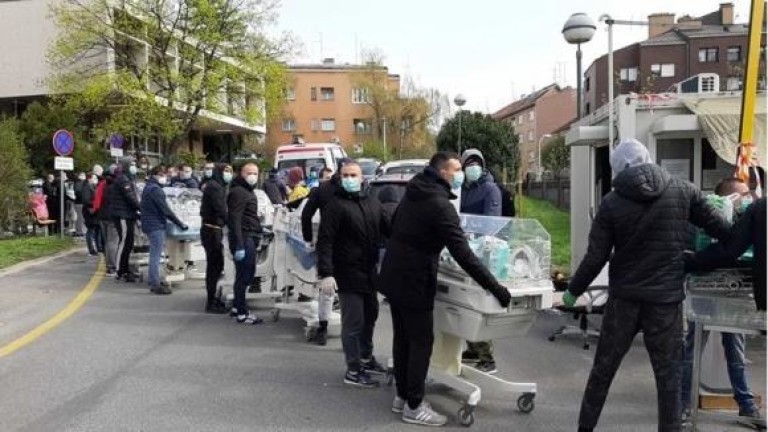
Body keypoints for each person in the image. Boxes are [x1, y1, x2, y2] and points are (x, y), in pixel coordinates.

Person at [560, 139, 731, 432]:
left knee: (603, 371)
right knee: (668, 378)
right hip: (665, 302)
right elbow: (724, 231)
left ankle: (585, 429)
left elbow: (596, 257)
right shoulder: (683, 190)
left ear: (619, 169)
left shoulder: (612, 203)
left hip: (624, 301)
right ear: (648, 157)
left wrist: (573, 291)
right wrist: (695, 260)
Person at [377, 151, 512, 427]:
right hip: (414, 280)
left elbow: (394, 228)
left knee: (404, 339)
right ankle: (414, 406)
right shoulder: (439, 204)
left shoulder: (414, 192)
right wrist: (495, 287)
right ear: (442, 173)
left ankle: (402, 396)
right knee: (421, 342)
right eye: (456, 169)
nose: (461, 174)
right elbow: (463, 253)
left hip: (394, 274)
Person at [679, 178, 762, 421]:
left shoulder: (747, 220)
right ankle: (683, 403)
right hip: (705, 291)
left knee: (735, 350)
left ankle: (746, 404)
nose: (748, 199)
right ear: (726, 197)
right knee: (693, 350)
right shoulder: (704, 220)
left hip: (733, 293)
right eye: (743, 194)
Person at [316, 161, 390, 384]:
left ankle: (366, 357)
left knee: (371, 317)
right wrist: (326, 273)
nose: (349, 178)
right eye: (345, 175)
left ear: (362, 178)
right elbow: (325, 241)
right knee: (353, 322)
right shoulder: (335, 205)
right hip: (346, 274)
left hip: (369, 272)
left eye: (353, 175)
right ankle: (354, 369)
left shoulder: (373, 202)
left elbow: (389, 229)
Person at [459, 149, 502, 374]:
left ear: (482, 165)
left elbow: (491, 223)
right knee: (465, 302)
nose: (472, 167)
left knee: (480, 304)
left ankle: (487, 355)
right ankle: (473, 348)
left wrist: (471, 233)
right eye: (468, 163)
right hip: (462, 251)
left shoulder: (490, 189)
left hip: (482, 252)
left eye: (476, 163)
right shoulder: (462, 188)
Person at [141, 165, 188, 294]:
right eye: (163, 175)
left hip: (150, 224)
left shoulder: (148, 187)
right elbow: (165, 210)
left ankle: (154, 280)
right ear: (157, 175)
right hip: (155, 225)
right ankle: (155, 284)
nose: (165, 178)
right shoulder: (155, 190)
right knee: (155, 255)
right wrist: (180, 223)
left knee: (155, 254)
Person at [227, 162, 264, 325]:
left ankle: (237, 306)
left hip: (249, 235)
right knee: (245, 275)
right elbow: (234, 219)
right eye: (249, 173)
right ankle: (242, 313)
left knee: (243, 275)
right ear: (241, 174)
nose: (253, 176)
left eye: (255, 173)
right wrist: (240, 245)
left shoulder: (246, 191)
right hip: (245, 237)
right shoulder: (239, 192)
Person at [200, 163, 233, 313]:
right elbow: (221, 209)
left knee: (217, 266)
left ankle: (213, 298)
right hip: (211, 230)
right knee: (214, 267)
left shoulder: (218, 186)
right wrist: (233, 223)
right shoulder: (214, 187)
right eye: (226, 171)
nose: (229, 174)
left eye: (230, 171)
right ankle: (210, 301)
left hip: (214, 229)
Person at [108, 158, 141, 282]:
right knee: (124, 242)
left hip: (128, 215)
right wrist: (141, 208)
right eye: (132, 164)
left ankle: (125, 268)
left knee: (129, 242)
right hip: (123, 216)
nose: (134, 166)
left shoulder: (128, 178)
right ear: (127, 166)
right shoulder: (123, 179)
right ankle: (119, 270)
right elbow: (131, 198)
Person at [81, 172, 100, 256]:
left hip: (94, 211)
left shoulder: (93, 186)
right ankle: (91, 249)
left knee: (96, 230)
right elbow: (86, 200)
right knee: (90, 230)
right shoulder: (87, 187)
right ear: (89, 178)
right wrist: (95, 203)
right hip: (89, 211)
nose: (95, 180)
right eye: (94, 178)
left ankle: (98, 247)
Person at [73, 172, 87, 237]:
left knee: (81, 217)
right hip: (79, 202)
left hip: (80, 202)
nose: (84, 176)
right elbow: (78, 192)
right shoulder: (79, 183)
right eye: (82, 175)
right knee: (80, 218)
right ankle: (80, 231)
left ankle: (80, 230)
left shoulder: (80, 182)